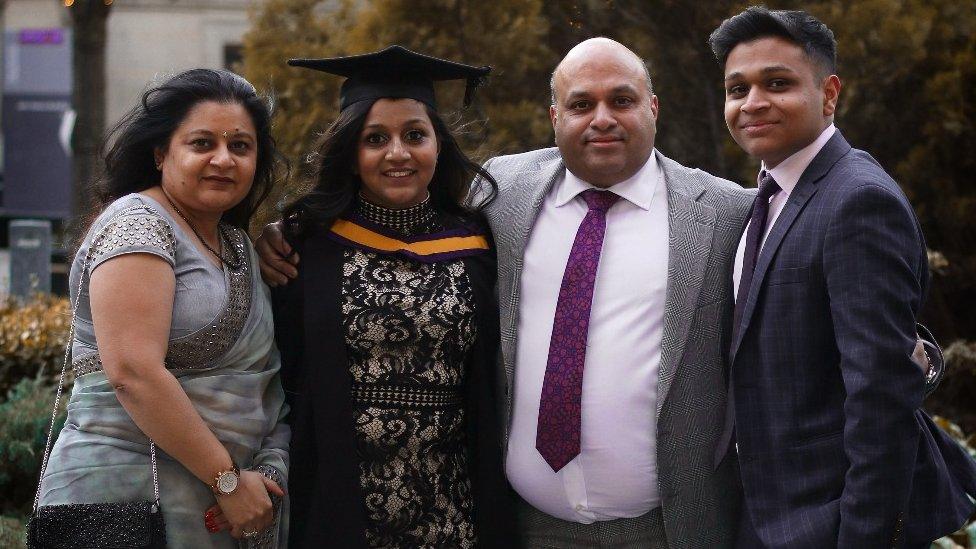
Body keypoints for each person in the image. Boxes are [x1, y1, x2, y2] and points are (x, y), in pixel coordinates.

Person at [261, 37, 754, 548]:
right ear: (554, 116)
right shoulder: (505, 193)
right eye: (581, 104)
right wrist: (284, 231)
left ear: (652, 107)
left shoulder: (724, 213)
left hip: (665, 529)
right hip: (518, 524)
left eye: (622, 100)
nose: (601, 118)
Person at [709, 7, 976, 548]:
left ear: (829, 94)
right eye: (738, 89)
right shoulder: (766, 200)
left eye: (777, 83)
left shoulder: (857, 201)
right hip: (763, 516)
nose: (752, 103)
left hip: (829, 525)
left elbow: (881, 400)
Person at [267, 46, 516, 548]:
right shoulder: (305, 248)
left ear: (438, 147)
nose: (397, 153)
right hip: (336, 500)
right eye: (375, 139)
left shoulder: (478, 246)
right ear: (350, 154)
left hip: (455, 505)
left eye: (415, 135)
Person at [36, 68, 290, 547]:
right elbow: (132, 371)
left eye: (240, 146)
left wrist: (264, 471)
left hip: (219, 509)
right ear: (160, 154)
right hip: (118, 504)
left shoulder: (237, 245)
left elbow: (266, 379)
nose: (223, 159)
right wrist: (229, 481)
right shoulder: (138, 223)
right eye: (201, 143)